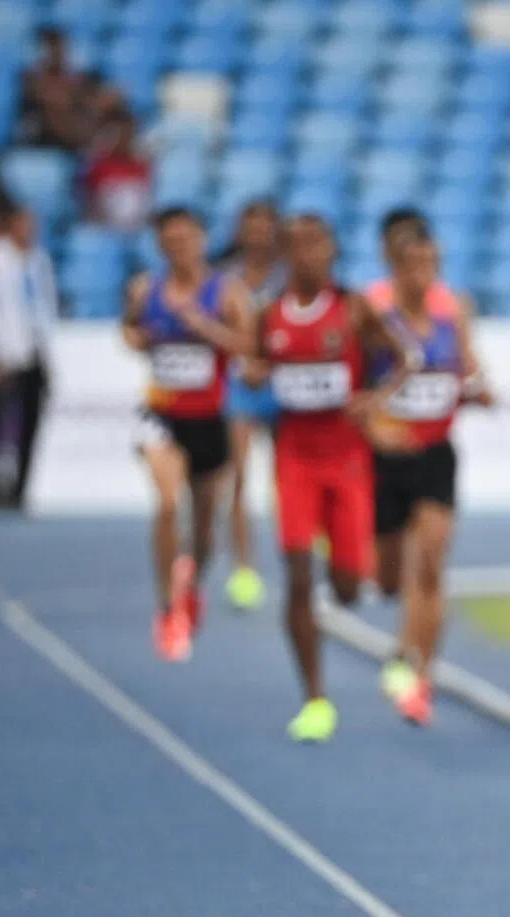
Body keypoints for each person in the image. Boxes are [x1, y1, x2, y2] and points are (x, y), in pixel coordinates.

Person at [250, 214, 412, 742]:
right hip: (294, 459)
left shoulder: (353, 308)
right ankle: (315, 698)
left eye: (317, 245)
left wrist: (373, 398)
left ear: (333, 252)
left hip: (346, 462)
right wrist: (255, 373)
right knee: (297, 576)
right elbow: (253, 364)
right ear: (284, 255)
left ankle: (343, 571)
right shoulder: (269, 314)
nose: (308, 255)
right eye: (296, 246)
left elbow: (404, 359)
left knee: (346, 585)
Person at [364, 209, 492, 726]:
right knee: (388, 575)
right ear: (395, 266)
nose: (424, 275)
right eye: (413, 265)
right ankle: (401, 644)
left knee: (432, 564)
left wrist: (478, 389)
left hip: (436, 456)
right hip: (385, 460)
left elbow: (468, 367)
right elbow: (358, 385)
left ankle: (420, 676)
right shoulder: (373, 313)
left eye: (432, 264)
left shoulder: (451, 309)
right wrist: (375, 427)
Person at [122, 206, 253, 662]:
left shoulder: (227, 292)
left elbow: (249, 347)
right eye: (170, 241)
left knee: (203, 528)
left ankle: (192, 583)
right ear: (161, 246)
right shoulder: (145, 289)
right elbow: (130, 331)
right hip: (161, 415)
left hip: (210, 418)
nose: (180, 248)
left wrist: (204, 326)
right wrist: (136, 339)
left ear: (201, 239)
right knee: (166, 503)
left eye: (187, 239)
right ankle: (166, 608)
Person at [220, 200, 289, 612]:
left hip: (283, 384)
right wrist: (245, 361)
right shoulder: (227, 280)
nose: (259, 235)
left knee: (289, 478)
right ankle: (244, 567)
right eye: (252, 227)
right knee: (241, 477)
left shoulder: (289, 277)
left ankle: (300, 556)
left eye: (266, 227)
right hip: (242, 385)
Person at [0, 204, 57, 511]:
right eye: (23, 223)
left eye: (33, 224)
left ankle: (20, 490)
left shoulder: (39, 259)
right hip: (3, 354)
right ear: (10, 224)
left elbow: (45, 304)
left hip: (35, 351)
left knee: (32, 421)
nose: (28, 229)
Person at [82, 106, 152, 232]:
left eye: (127, 134)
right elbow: (88, 204)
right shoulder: (96, 166)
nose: (122, 139)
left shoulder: (144, 164)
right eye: (117, 134)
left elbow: (148, 203)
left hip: (138, 228)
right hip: (104, 228)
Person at [17, 26, 87, 152]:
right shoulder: (31, 78)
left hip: (72, 138)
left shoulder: (76, 79)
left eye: (61, 48)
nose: (57, 53)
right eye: (52, 48)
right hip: (42, 137)